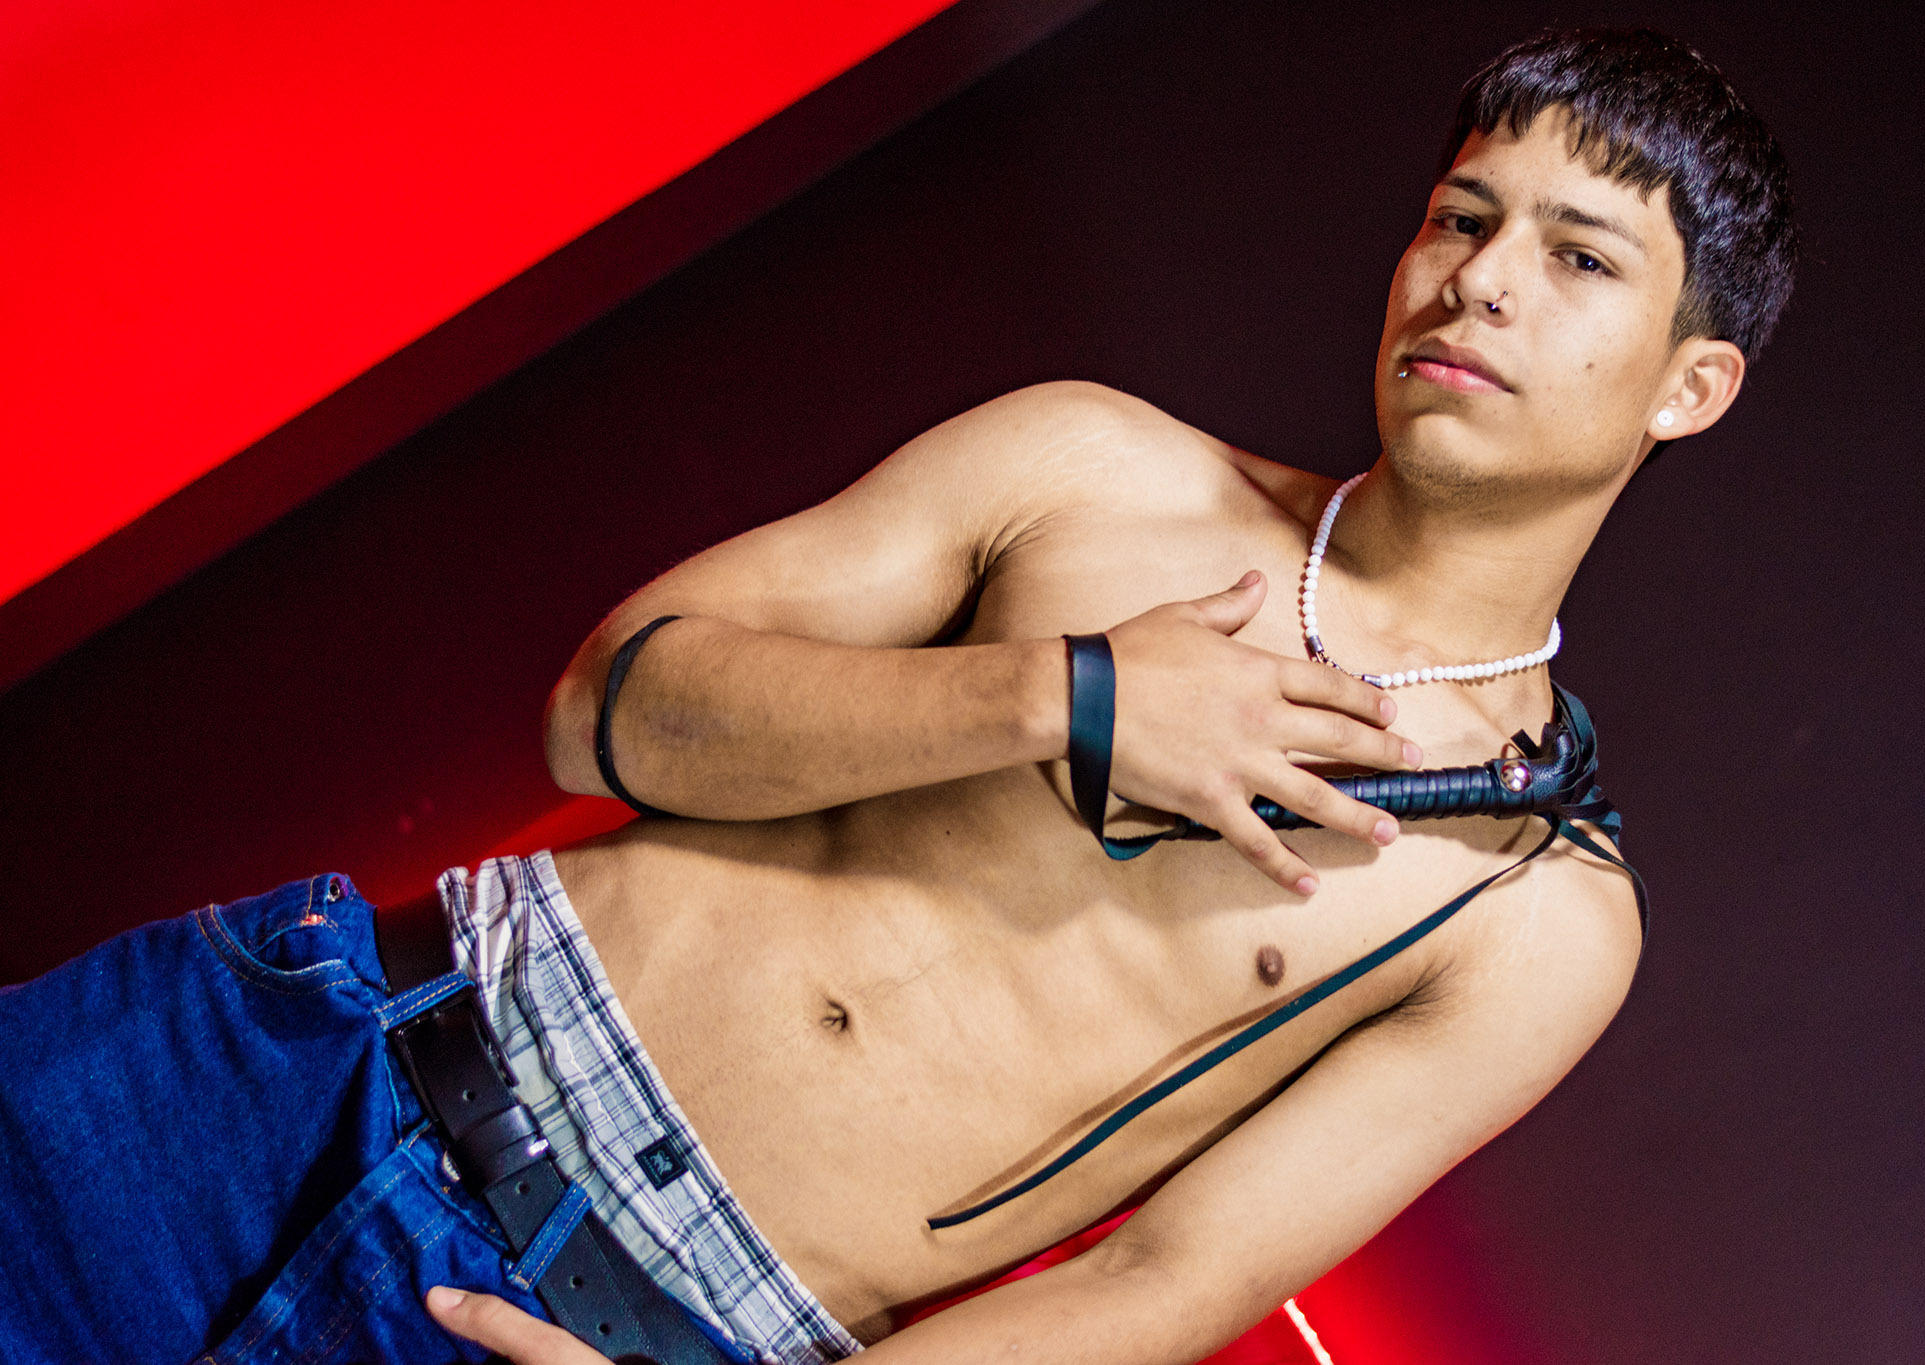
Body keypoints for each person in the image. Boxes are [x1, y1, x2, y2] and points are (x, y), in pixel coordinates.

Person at [0, 26, 1793, 1365]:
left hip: (617, 1326)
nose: (1480, 278)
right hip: (294, 1058)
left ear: (1690, 385)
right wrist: (1065, 695)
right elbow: (606, 705)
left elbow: (1159, 1282)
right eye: (1461, 215)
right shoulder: (1094, 463)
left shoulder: (1535, 913)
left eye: (1580, 256)